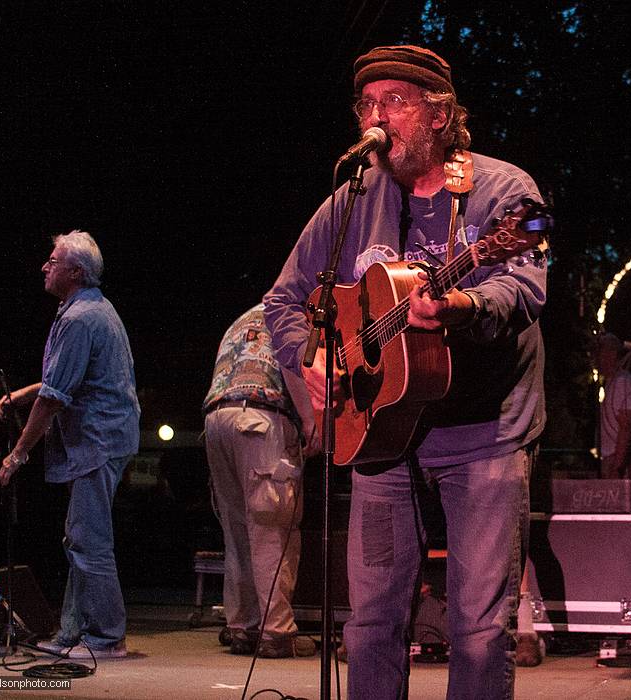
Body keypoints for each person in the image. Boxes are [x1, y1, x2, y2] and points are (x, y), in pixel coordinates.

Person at [263, 45, 547, 699]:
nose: (376, 115)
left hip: (484, 433)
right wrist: (308, 367)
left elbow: (522, 290)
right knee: (370, 626)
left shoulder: (504, 193)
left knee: (477, 631)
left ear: (441, 115)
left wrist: (461, 305)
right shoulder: (353, 198)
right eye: (367, 103)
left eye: (395, 101)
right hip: (380, 437)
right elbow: (284, 300)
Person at [0, 230, 139, 659]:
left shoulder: (80, 318)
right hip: (106, 436)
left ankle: (106, 637)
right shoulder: (89, 310)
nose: (45, 265)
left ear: (75, 271)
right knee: (80, 535)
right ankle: (72, 631)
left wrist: (19, 452)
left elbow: (56, 396)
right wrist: (22, 395)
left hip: (100, 439)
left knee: (88, 538)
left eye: (53, 260)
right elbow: (68, 376)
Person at [202, 303, 318, 658]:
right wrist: (312, 423)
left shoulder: (246, 315)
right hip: (259, 420)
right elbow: (294, 366)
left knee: (237, 532)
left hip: (216, 420)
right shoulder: (297, 316)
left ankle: (242, 628)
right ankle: (276, 633)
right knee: (273, 527)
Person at [595, 333, 631, 478]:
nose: (595, 359)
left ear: (611, 354)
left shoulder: (623, 382)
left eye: (599, 353)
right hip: (611, 457)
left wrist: (617, 466)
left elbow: (625, 426)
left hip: (615, 458)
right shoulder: (611, 382)